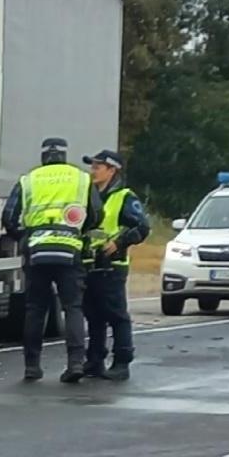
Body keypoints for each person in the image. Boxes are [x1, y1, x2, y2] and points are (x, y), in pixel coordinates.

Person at [2, 137, 103, 384]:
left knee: (36, 308)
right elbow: (97, 213)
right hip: (70, 250)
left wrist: (25, 238)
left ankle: (32, 366)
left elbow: (9, 216)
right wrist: (78, 230)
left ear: (44, 156)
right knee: (72, 307)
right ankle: (76, 363)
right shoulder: (80, 178)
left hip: (37, 251)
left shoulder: (29, 180)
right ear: (64, 155)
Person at [81, 150, 150, 381]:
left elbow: (141, 228)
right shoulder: (89, 196)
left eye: (98, 167)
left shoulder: (124, 197)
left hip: (112, 265)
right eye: (93, 166)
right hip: (90, 263)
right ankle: (95, 360)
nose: (93, 171)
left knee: (116, 315)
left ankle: (122, 362)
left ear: (112, 170)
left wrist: (118, 243)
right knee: (93, 315)